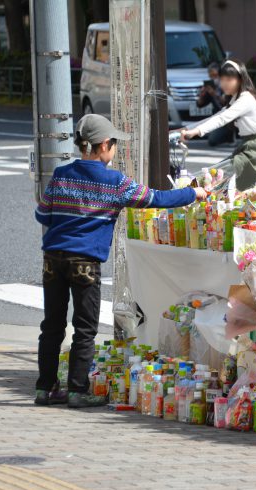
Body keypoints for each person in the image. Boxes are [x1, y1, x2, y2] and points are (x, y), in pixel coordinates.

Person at [34, 114, 207, 408]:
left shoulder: (61, 175)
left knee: (52, 325)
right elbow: (154, 199)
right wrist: (194, 192)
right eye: (114, 144)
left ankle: (44, 389)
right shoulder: (115, 183)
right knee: (85, 328)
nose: (114, 149)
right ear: (104, 145)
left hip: (53, 259)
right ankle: (77, 391)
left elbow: (42, 215)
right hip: (85, 262)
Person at [180, 59, 256, 190]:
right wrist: (186, 129)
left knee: (219, 179)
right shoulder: (235, 98)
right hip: (251, 146)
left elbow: (222, 119)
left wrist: (195, 132)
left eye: (229, 79)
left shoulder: (246, 98)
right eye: (222, 79)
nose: (224, 84)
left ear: (240, 79)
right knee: (220, 180)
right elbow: (217, 116)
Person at [196, 62, 235, 147]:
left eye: (215, 76)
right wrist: (202, 95)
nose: (214, 79)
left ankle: (234, 135)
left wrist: (215, 94)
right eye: (211, 76)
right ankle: (226, 136)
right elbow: (200, 105)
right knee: (212, 141)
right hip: (219, 120)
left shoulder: (228, 86)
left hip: (231, 118)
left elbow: (226, 103)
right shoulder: (211, 88)